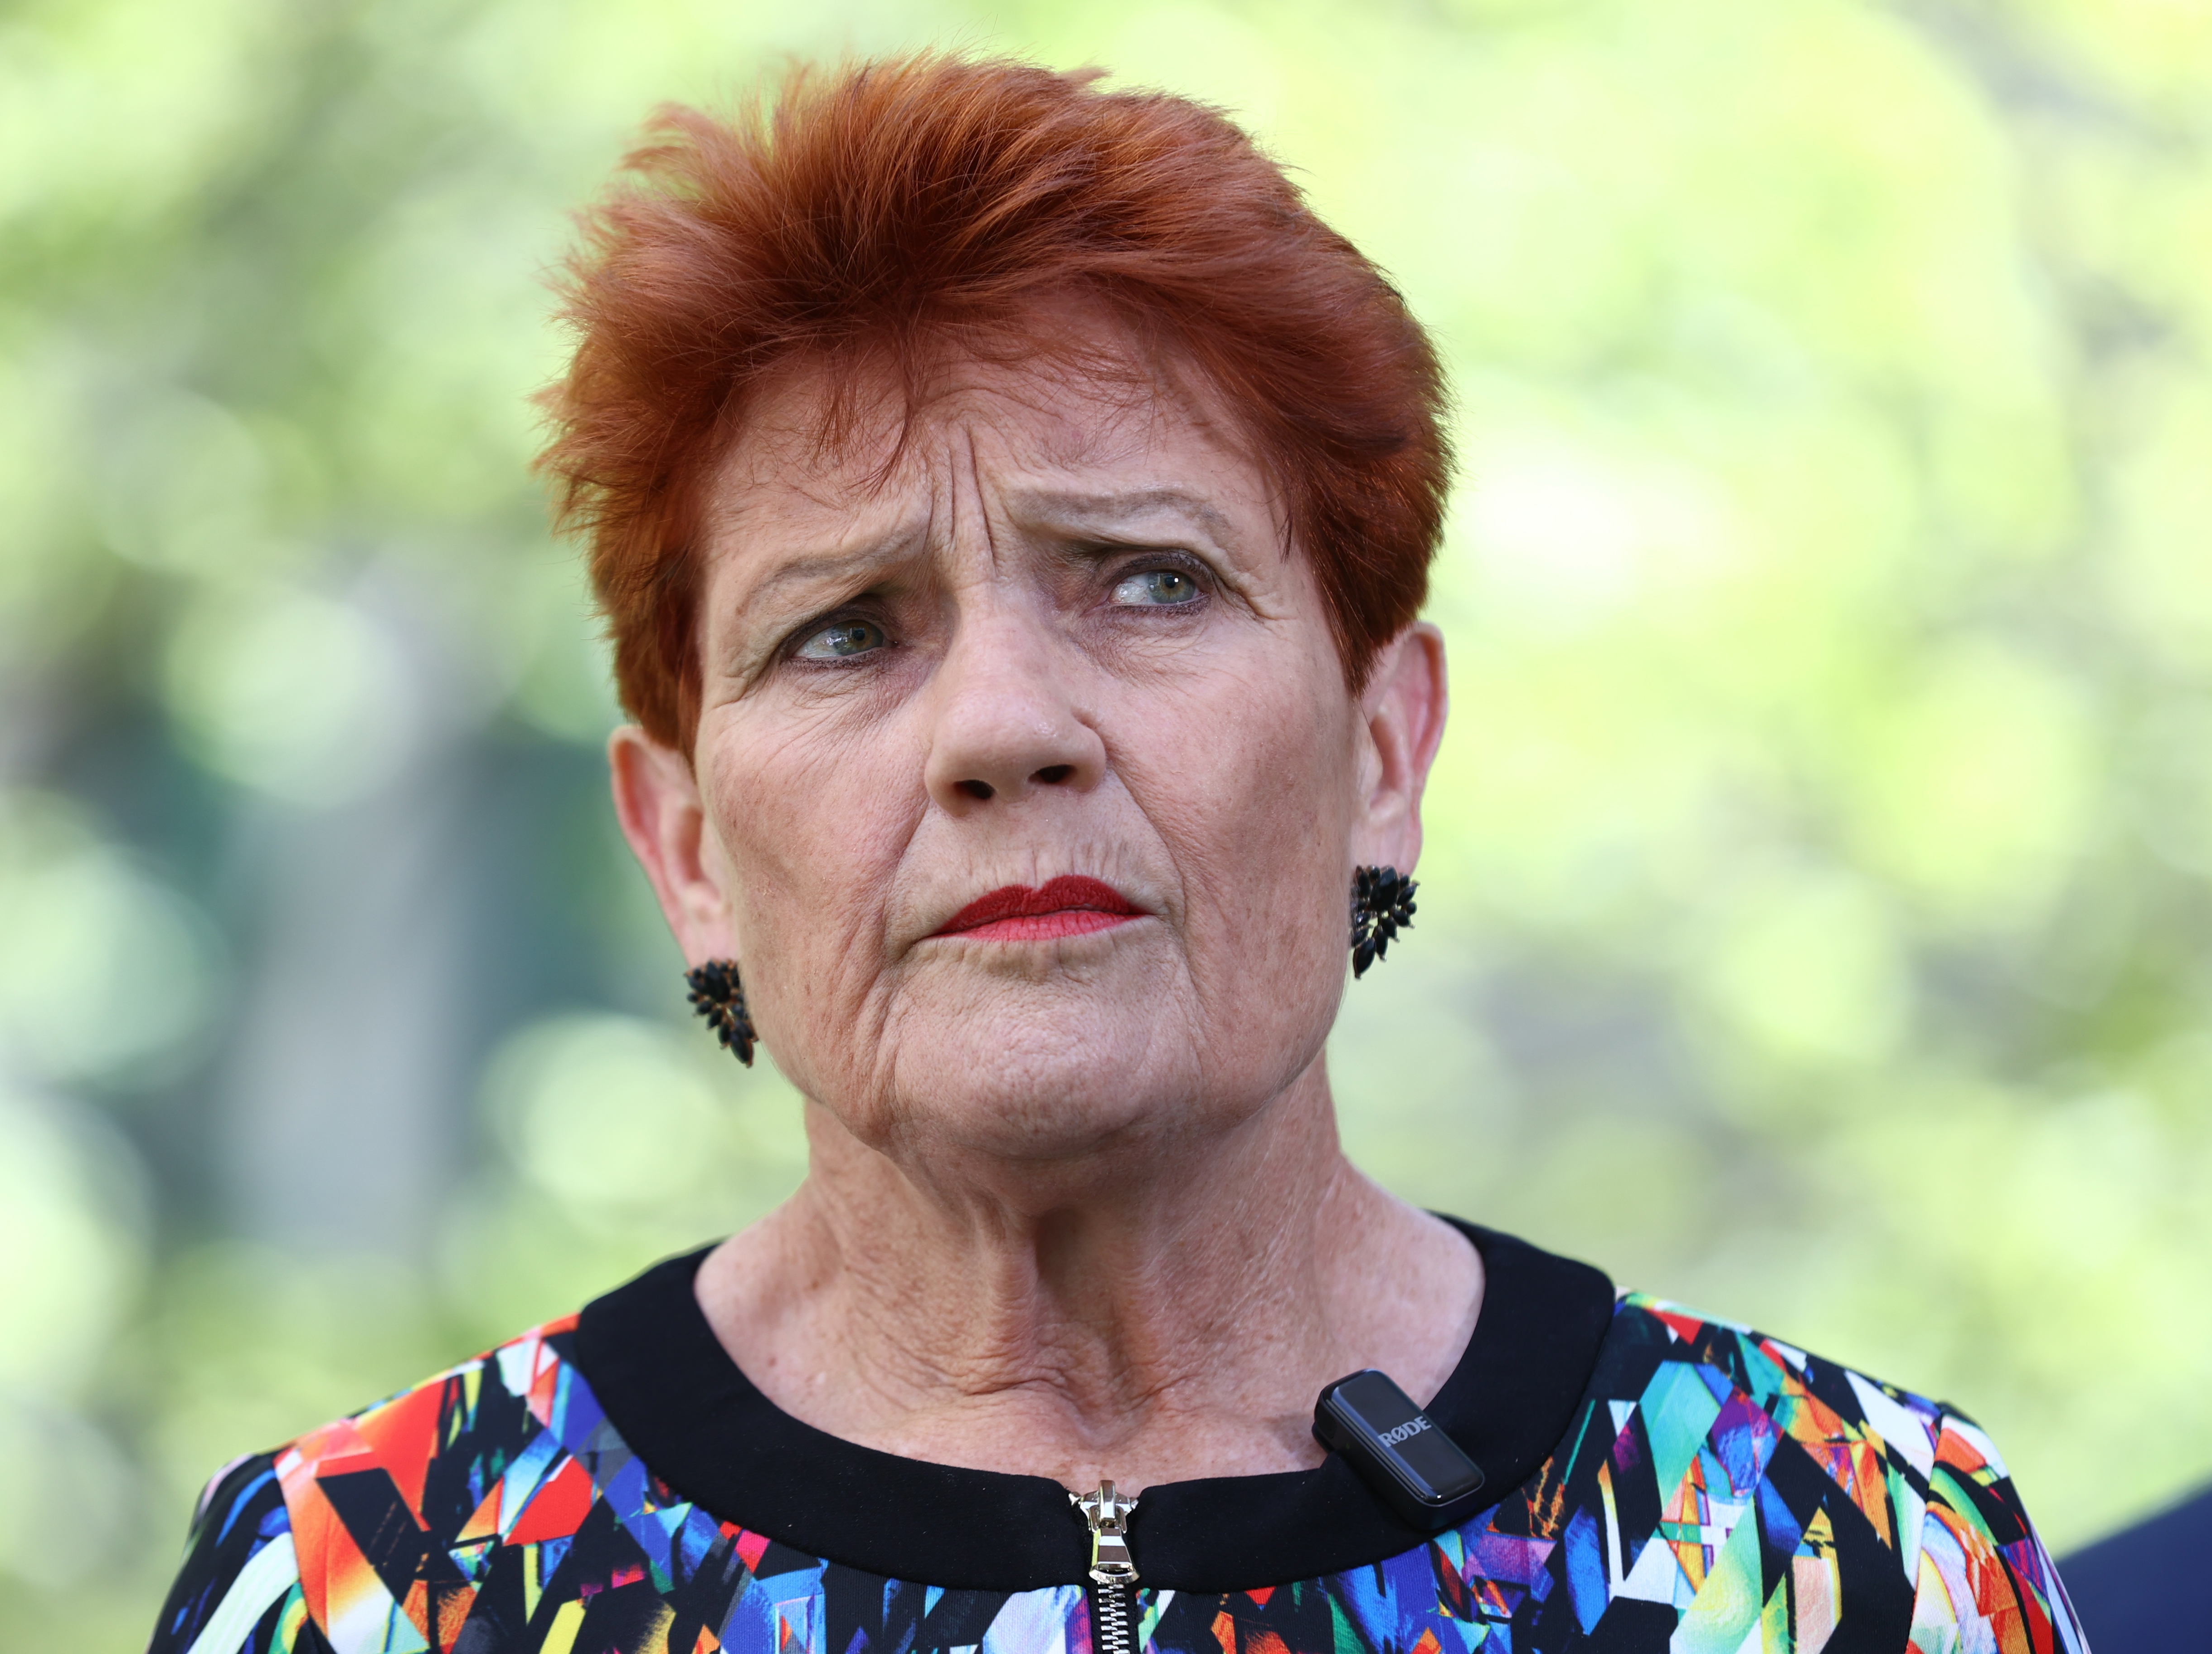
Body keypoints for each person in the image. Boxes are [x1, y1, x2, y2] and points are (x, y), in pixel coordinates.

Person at [148, 56, 2087, 1654]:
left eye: (1150, 581)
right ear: (688, 850)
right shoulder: (385, 1583)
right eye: (845, 629)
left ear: (1385, 747)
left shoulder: (1840, 1555)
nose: (1006, 726)